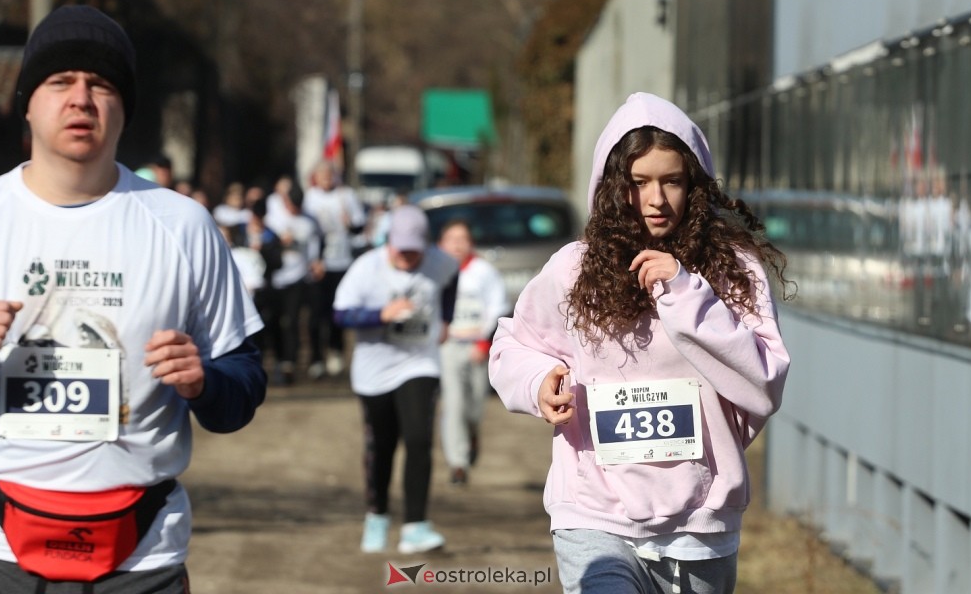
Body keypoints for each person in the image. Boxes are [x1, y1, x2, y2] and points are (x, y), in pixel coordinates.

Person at [0, 5, 266, 593]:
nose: (80, 98)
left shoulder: (183, 226)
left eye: (101, 84)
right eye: (60, 82)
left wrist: (203, 382)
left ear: (123, 107)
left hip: (141, 558)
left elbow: (242, 389)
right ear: (27, 102)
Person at [488, 93, 791, 594]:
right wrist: (538, 382)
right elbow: (512, 346)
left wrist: (687, 294)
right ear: (612, 188)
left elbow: (763, 387)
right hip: (593, 512)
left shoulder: (734, 272)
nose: (655, 199)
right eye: (638, 183)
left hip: (701, 524)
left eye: (672, 180)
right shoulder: (573, 268)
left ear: (694, 184)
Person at [332, 205, 458, 555]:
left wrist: (445, 319)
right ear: (388, 242)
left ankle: (416, 525)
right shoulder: (366, 268)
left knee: (418, 439)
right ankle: (377, 515)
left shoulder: (440, 261)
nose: (406, 256)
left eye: (413, 250)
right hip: (374, 370)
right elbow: (339, 314)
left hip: (419, 362)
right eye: (400, 249)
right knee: (381, 445)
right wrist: (379, 315)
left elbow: (451, 279)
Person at [436, 219, 507, 486]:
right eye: (450, 239)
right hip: (448, 346)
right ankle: (458, 463)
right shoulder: (435, 270)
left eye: (462, 238)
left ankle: (472, 433)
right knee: (452, 403)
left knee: (474, 406)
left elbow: (497, 307)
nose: (456, 244)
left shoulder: (484, 272)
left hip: (477, 346)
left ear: (470, 243)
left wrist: (484, 343)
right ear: (440, 244)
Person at [303, 160, 367, 379]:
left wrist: (348, 222)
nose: (326, 180)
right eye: (322, 176)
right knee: (316, 314)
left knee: (336, 311)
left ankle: (336, 351)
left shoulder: (346, 195)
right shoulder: (310, 197)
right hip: (318, 264)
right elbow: (307, 231)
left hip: (342, 261)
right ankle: (316, 358)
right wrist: (314, 259)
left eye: (329, 175)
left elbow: (360, 227)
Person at [263, 177, 322, 386]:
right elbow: (264, 240)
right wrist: (279, 241)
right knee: (274, 321)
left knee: (292, 320)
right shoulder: (273, 215)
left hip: (297, 277)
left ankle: (289, 362)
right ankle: (276, 358)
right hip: (275, 277)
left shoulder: (308, 222)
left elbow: (314, 245)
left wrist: (315, 262)